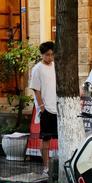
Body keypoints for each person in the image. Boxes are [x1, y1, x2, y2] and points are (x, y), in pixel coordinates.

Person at [29, 41, 58, 175]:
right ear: (42, 55)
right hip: (46, 108)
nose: (50, 57)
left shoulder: (55, 66)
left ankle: (58, 166)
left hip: (57, 107)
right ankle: (46, 167)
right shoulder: (37, 69)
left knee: (58, 138)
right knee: (45, 139)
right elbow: (36, 89)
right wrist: (41, 107)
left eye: (52, 55)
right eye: (47, 55)